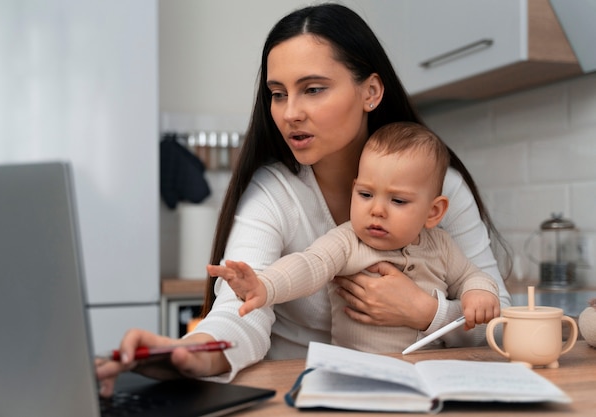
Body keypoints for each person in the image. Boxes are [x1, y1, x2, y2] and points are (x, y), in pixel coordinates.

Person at [96, 3, 512, 396]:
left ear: (371, 92)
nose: (290, 112)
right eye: (278, 94)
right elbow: (241, 309)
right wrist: (190, 352)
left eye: (313, 89)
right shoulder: (273, 193)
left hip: (416, 392)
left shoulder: (442, 188)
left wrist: (427, 313)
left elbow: (503, 324)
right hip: (302, 396)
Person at [207, 122, 500, 353]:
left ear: (433, 212)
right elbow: (309, 265)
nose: (376, 211)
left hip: (430, 373)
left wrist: (479, 293)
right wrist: (265, 286)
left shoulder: (442, 246)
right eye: (365, 195)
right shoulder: (348, 240)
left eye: (398, 201)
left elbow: (472, 276)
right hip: (359, 371)